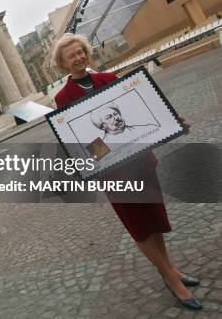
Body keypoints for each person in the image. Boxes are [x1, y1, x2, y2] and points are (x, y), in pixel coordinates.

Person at [51, 33, 202, 310]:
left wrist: (172, 122)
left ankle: (170, 268)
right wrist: (106, 157)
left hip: (140, 161)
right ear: (62, 63)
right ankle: (171, 278)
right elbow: (82, 136)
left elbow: (137, 113)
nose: (79, 57)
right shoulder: (63, 98)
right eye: (71, 55)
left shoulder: (108, 80)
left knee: (154, 219)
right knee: (140, 227)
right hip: (113, 172)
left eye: (81, 51)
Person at [89, 102, 160, 144]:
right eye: (109, 117)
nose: (116, 118)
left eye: (115, 114)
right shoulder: (101, 147)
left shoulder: (149, 128)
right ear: (102, 126)